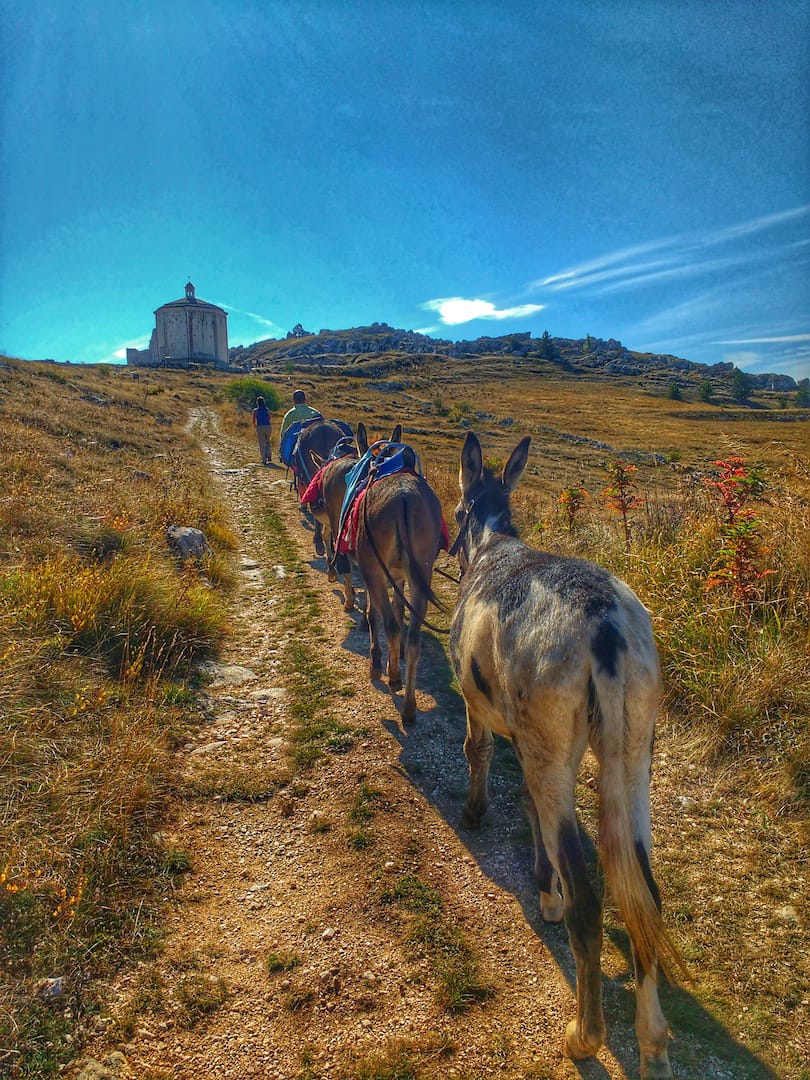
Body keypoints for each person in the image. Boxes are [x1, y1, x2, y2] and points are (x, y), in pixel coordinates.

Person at [252, 395, 273, 465]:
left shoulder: (256, 410)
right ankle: (269, 456)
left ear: (257, 403)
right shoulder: (267, 409)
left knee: (262, 443)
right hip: (268, 426)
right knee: (268, 441)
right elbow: (269, 417)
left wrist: (255, 426)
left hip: (260, 426)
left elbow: (253, 420)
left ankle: (264, 459)